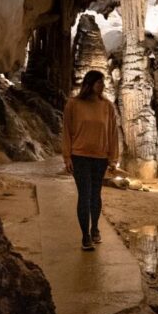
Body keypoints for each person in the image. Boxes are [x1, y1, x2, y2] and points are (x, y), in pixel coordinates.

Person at [62, 70, 119, 251]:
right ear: (89, 84)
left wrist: (113, 158)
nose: (102, 86)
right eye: (99, 83)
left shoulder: (107, 106)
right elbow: (66, 131)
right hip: (79, 156)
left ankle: (95, 228)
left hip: (100, 157)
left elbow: (112, 133)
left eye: (103, 83)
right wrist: (67, 156)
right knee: (84, 195)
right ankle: (85, 236)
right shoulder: (73, 104)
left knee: (96, 195)